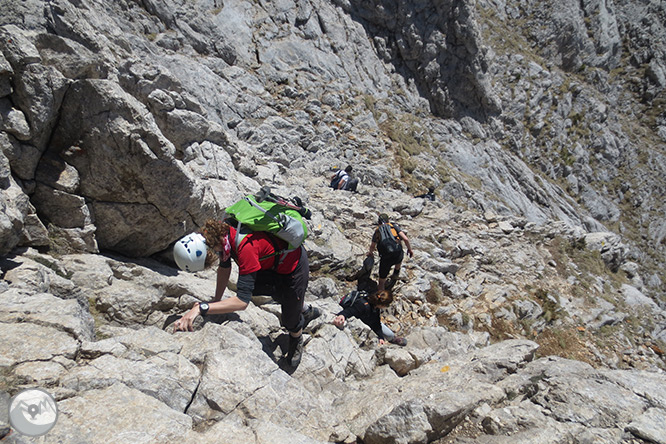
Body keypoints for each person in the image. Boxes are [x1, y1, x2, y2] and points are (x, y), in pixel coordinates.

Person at [173, 219, 320, 367]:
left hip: (294, 267)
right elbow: (225, 268)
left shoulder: (245, 248)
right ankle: (300, 307)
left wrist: (201, 308)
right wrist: (216, 301)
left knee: (290, 320)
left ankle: (297, 336)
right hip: (274, 263)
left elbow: (242, 302)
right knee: (257, 288)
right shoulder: (220, 234)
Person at [332, 288, 406, 346]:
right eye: (387, 305)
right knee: (388, 334)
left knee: (390, 335)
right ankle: (392, 338)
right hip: (362, 322)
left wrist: (380, 337)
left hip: (368, 320)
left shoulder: (376, 306)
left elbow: (376, 322)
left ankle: (393, 339)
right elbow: (350, 311)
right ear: (383, 305)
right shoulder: (362, 305)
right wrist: (342, 315)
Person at [367, 213, 413, 291]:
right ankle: (396, 273)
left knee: (381, 281)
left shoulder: (378, 231)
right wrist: (410, 249)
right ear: (388, 220)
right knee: (400, 253)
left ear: (379, 222)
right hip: (397, 254)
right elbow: (405, 239)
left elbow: (372, 246)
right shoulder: (394, 226)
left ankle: (381, 297)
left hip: (386, 257)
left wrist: (370, 253)